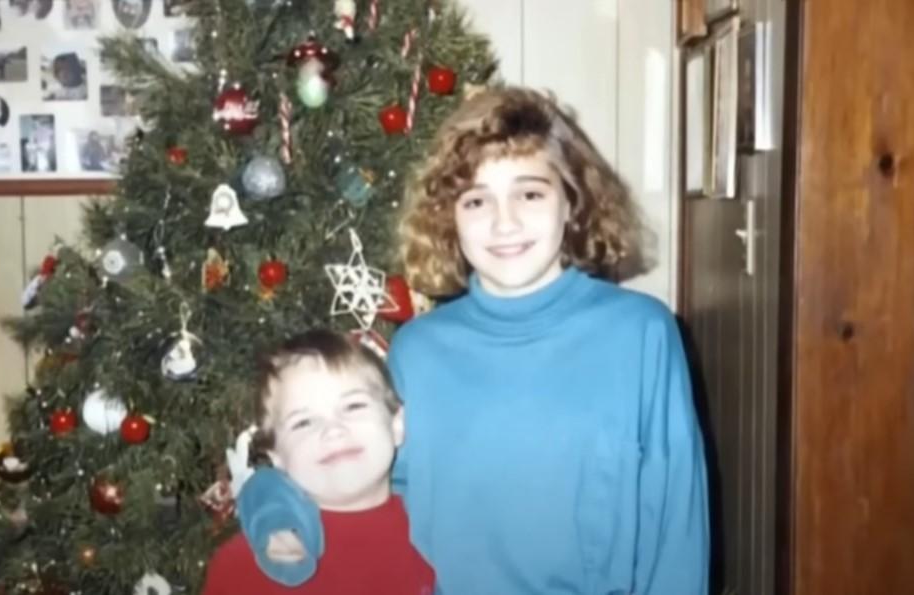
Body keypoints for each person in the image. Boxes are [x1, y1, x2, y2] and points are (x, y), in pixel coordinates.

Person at [244, 86, 710, 594]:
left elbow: (676, 520)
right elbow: (335, 469)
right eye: (476, 200)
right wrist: (271, 511)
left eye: (529, 194)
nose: (503, 222)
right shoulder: (419, 350)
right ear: (450, 216)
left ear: (571, 202)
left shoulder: (639, 333)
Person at [202, 330, 434, 595]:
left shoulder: (446, 536)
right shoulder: (243, 567)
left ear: (397, 424)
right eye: (303, 422)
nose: (333, 430)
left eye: (353, 406)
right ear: (276, 457)